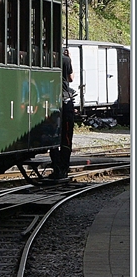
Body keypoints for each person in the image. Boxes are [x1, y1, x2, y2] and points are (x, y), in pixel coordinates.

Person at [54, 46, 76, 179]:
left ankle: (56, 166)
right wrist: (70, 59)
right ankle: (63, 167)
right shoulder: (66, 60)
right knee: (66, 138)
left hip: (50, 100)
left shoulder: (48, 58)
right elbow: (71, 78)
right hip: (64, 100)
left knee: (54, 138)